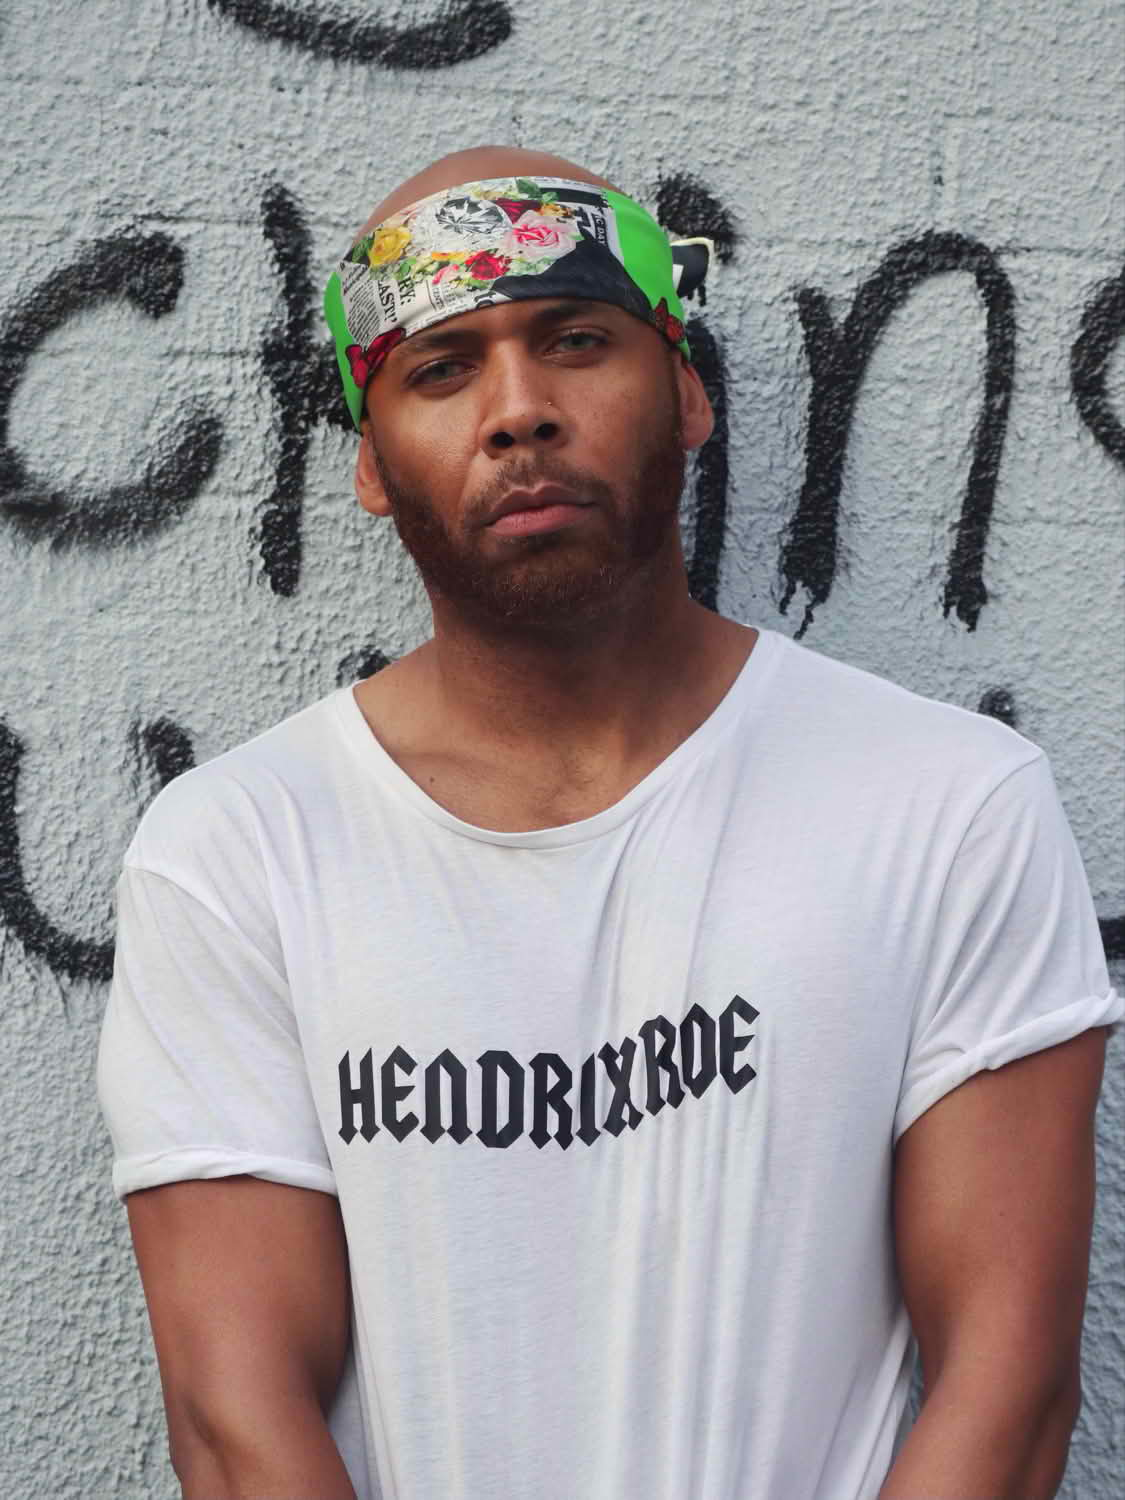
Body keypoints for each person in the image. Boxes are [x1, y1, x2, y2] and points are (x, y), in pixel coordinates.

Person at [96, 145, 1122, 1500]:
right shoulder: (235, 852)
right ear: (371, 459)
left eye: (576, 341)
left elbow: (1007, 1389)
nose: (519, 412)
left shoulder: (945, 805)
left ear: (686, 390)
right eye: (442, 368)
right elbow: (240, 1425)